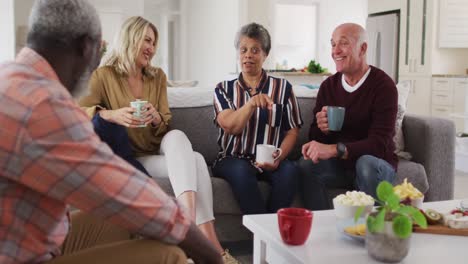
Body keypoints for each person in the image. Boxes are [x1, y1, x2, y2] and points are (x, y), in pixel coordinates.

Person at [0, 0, 223, 263]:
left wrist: (154, 119)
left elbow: (164, 124)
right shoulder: (46, 105)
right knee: (169, 254)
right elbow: (127, 196)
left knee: (130, 222)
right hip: (24, 256)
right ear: (87, 47)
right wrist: (212, 258)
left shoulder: (11, 77)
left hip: (35, 237)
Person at [78, 16, 237, 263]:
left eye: (154, 43)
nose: (152, 48)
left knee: (176, 136)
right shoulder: (103, 75)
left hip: (155, 152)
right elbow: (79, 112)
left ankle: (186, 226)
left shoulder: (158, 77)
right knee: (195, 160)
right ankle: (211, 246)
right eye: (148, 41)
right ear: (131, 38)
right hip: (131, 156)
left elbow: (166, 122)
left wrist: (155, 119)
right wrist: (111, 114)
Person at [299, 23, 398, 210]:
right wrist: (322, 129)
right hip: (341, 168)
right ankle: (322, 228)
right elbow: (315, 139)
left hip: (376, 165)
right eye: (333, 44)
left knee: (366, 164)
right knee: (306, 165)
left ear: (363, 48)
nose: (336, 51)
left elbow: (379, 144)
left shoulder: (383, 85)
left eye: (343, 43)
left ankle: (370, 231)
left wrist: (336, 149)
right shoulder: (328, 86)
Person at [212, 23, 303, 214]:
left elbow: (293, 130)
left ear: (265, 55)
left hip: (270, 159)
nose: (248, 55)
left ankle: (271, 231)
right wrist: (251, 104)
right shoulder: (223, 89)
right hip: (232, 158)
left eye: (255, 50)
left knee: (290, 171)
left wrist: (279, 155)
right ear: (237, 53)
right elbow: (230, 126)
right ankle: (262, 233)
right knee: (241, 171)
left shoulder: (283, 88)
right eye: (243, 50)